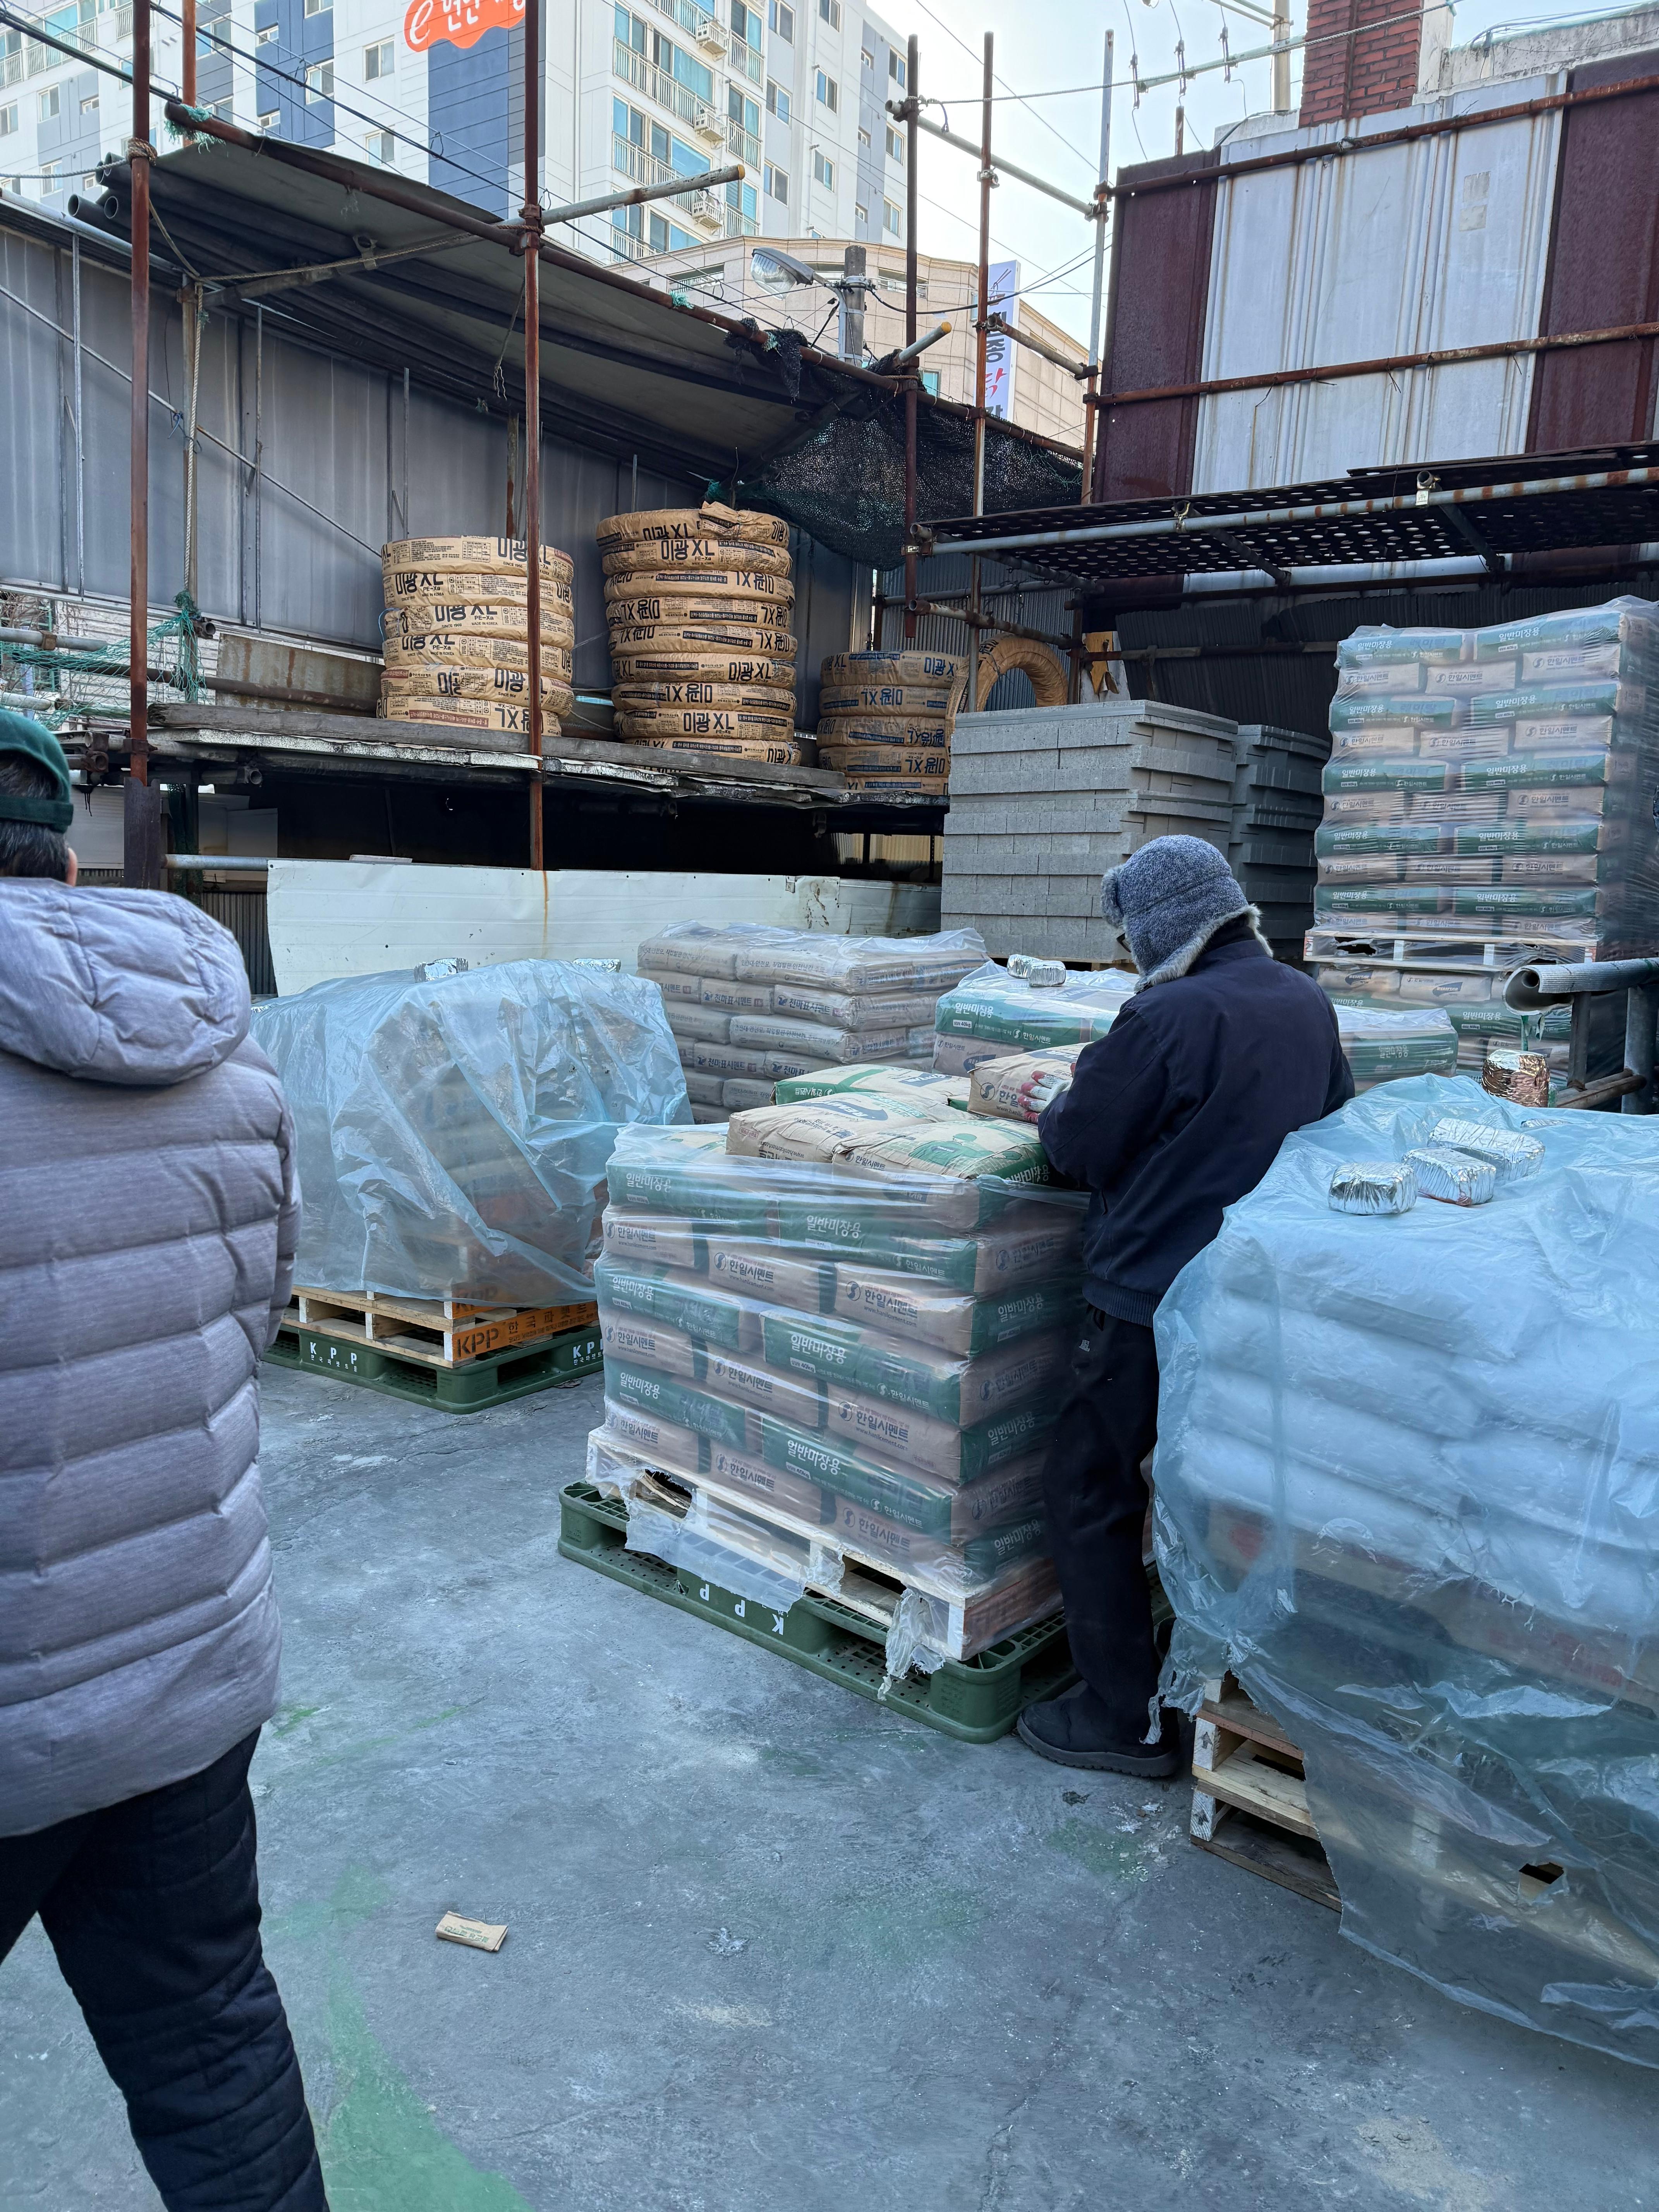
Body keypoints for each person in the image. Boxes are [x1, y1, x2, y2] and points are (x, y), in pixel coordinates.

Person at [0, 715, 328, 2210]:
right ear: (66, 863)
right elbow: (252, 1321)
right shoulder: (231, 1071)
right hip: (189, 1672)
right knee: (210, 2042)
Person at [1017, 835, 1353, 1775]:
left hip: (1146, 1298)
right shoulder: (1305, 1001)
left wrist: (1054, 1100)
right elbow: (1332, 1130)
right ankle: (1209, 1668)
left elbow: (1076, 1149)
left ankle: (1121, 1716)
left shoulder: (1163, 1016)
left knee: (1091, 1489)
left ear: (1160, 927)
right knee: (1215, 1491)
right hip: (1249, 1298)